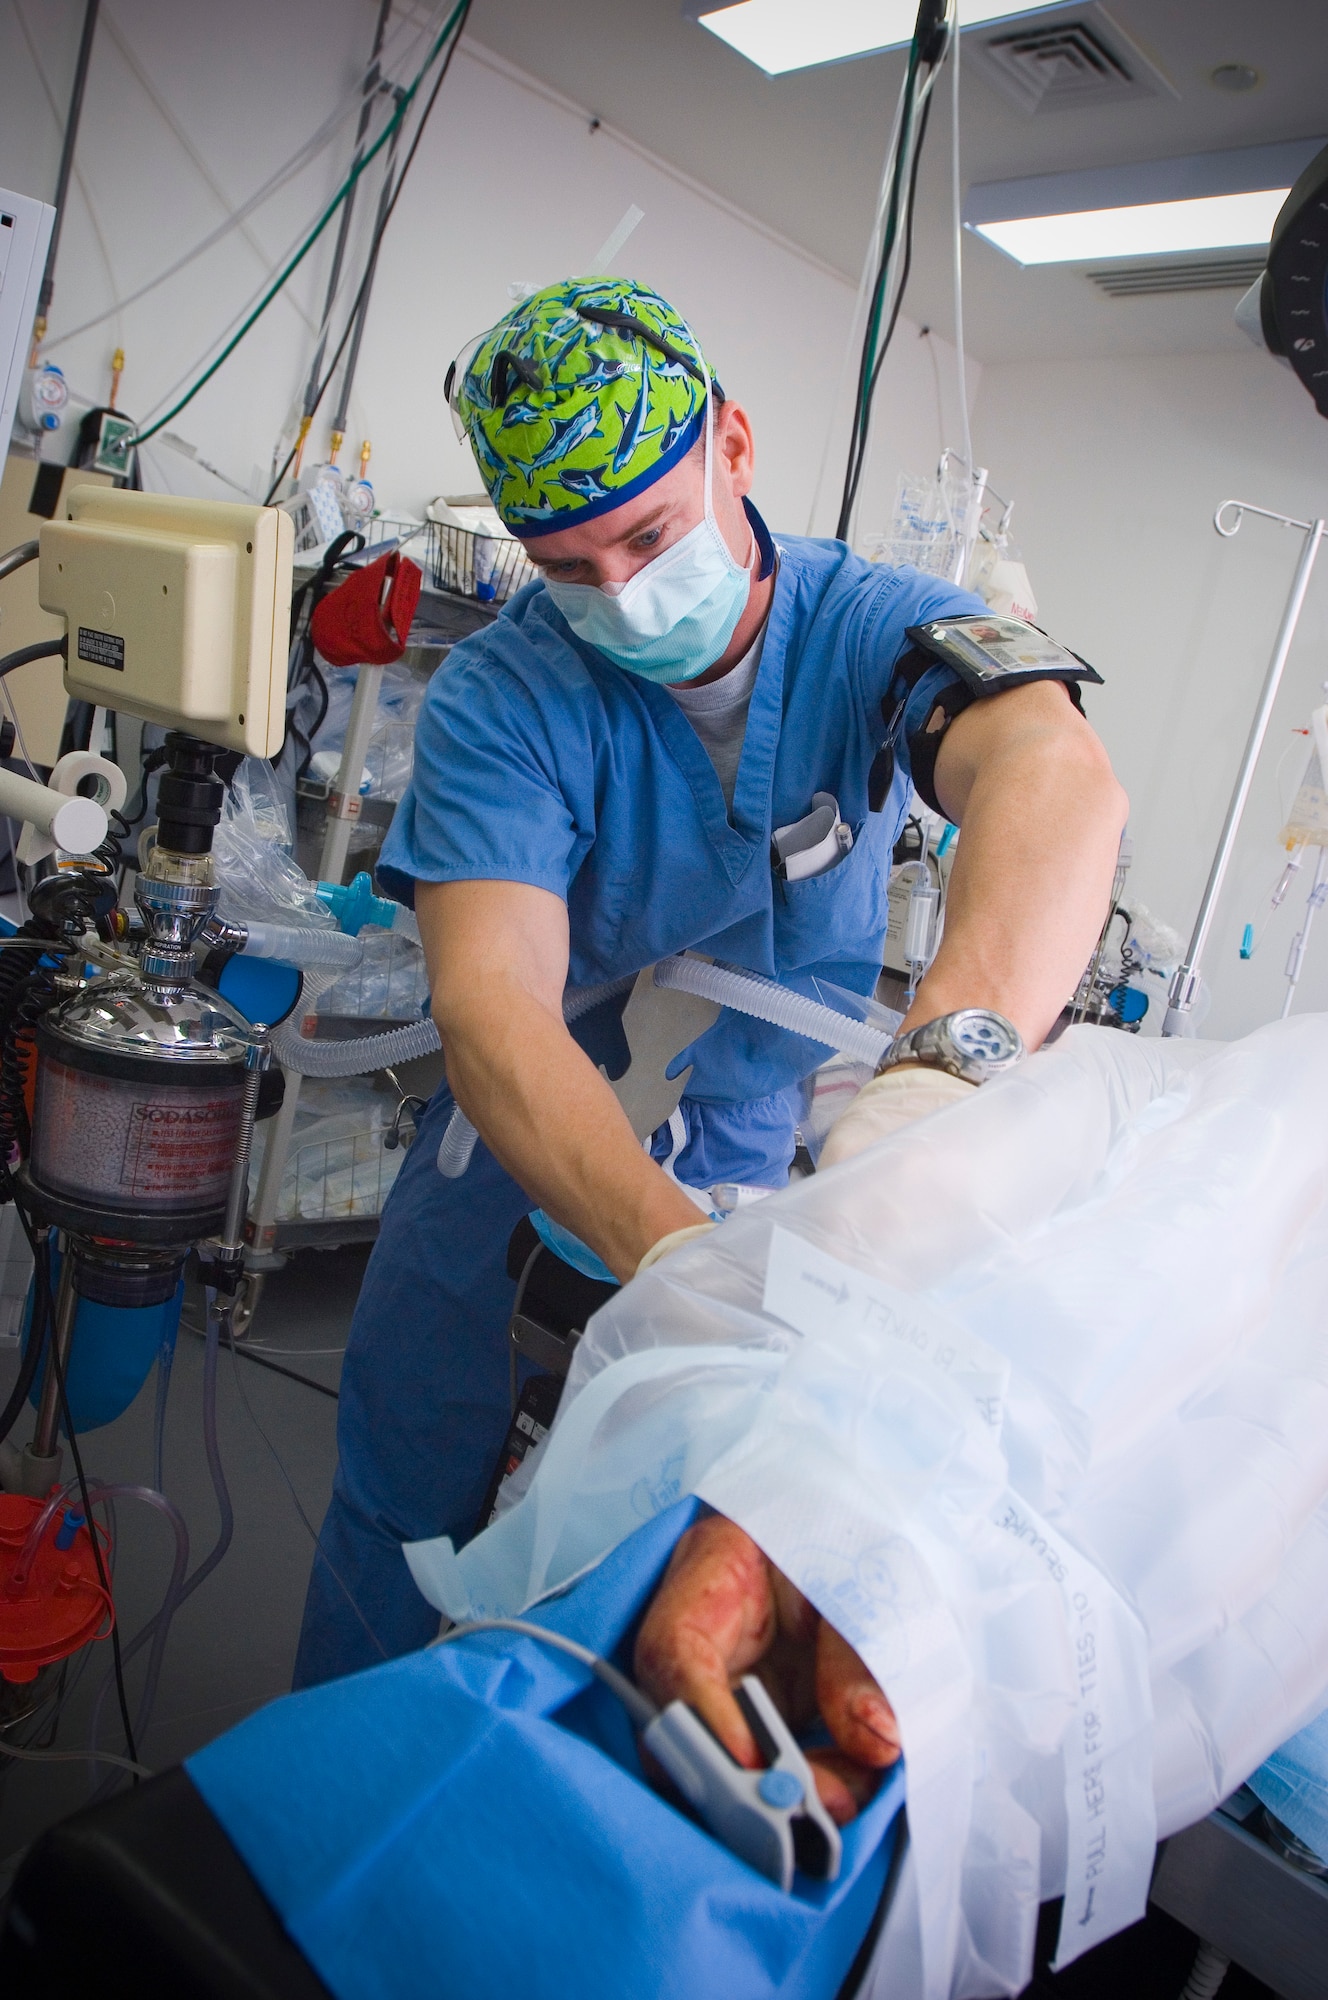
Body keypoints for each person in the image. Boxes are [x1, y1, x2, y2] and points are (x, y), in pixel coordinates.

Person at [293, 276, 1127, 1688]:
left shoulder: (868, 627)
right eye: (568, 566)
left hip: (752, 1161)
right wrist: (674, 1259)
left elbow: (1053, 775)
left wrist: (939, 1078)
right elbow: (495, 1006)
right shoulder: (509, 694)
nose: (618, 595)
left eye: (648, 534)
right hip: (520, 1172)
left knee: (655, 1577)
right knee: (407, 1528)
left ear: (732, 444)